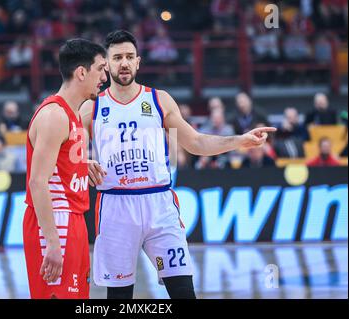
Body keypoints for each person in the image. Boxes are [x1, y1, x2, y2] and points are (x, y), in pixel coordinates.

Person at [80, 30, 276, 299]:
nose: (123, 63)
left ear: (138, 61)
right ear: (107, 64)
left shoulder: (158, 99)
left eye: (129, 57)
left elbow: (195, 142)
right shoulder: (91, 108)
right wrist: (82, 160)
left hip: (159, 204)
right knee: (119, 297)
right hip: (116, 206)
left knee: (183, 291)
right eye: (117, 58)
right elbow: (66, 151)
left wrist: (239, 141)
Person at [23, 38, 107, 299]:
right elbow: (38, 182)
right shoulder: (55, 115)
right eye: (101, 68)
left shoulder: (73, 115)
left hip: (75, 219)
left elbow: (58, 164)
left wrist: (81, 165)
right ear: (81, 72)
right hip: (56, 220)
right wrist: (52, 241)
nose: (105, 76)